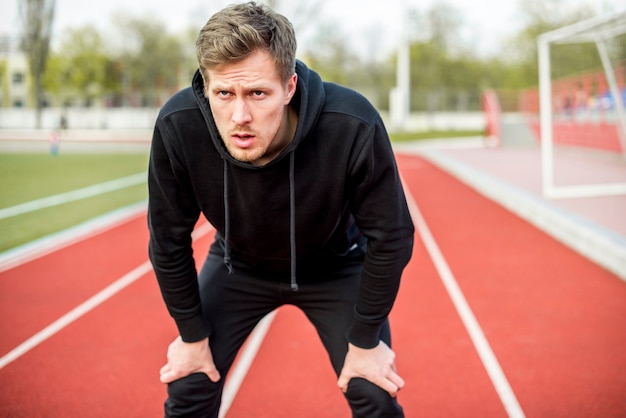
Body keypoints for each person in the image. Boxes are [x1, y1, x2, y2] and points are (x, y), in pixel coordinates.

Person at [148, 2, 414, 417]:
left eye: (257, 93)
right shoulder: (179, 126)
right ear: (205, 88)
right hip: (238, 266)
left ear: (289, 87)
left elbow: (392, 235)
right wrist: (191, 334)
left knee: (373, 389)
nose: (240, 116)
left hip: (335, 266)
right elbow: (167, 239)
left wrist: (364, 342)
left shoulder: (350, 124)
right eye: (223, 93)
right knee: (189, 381)